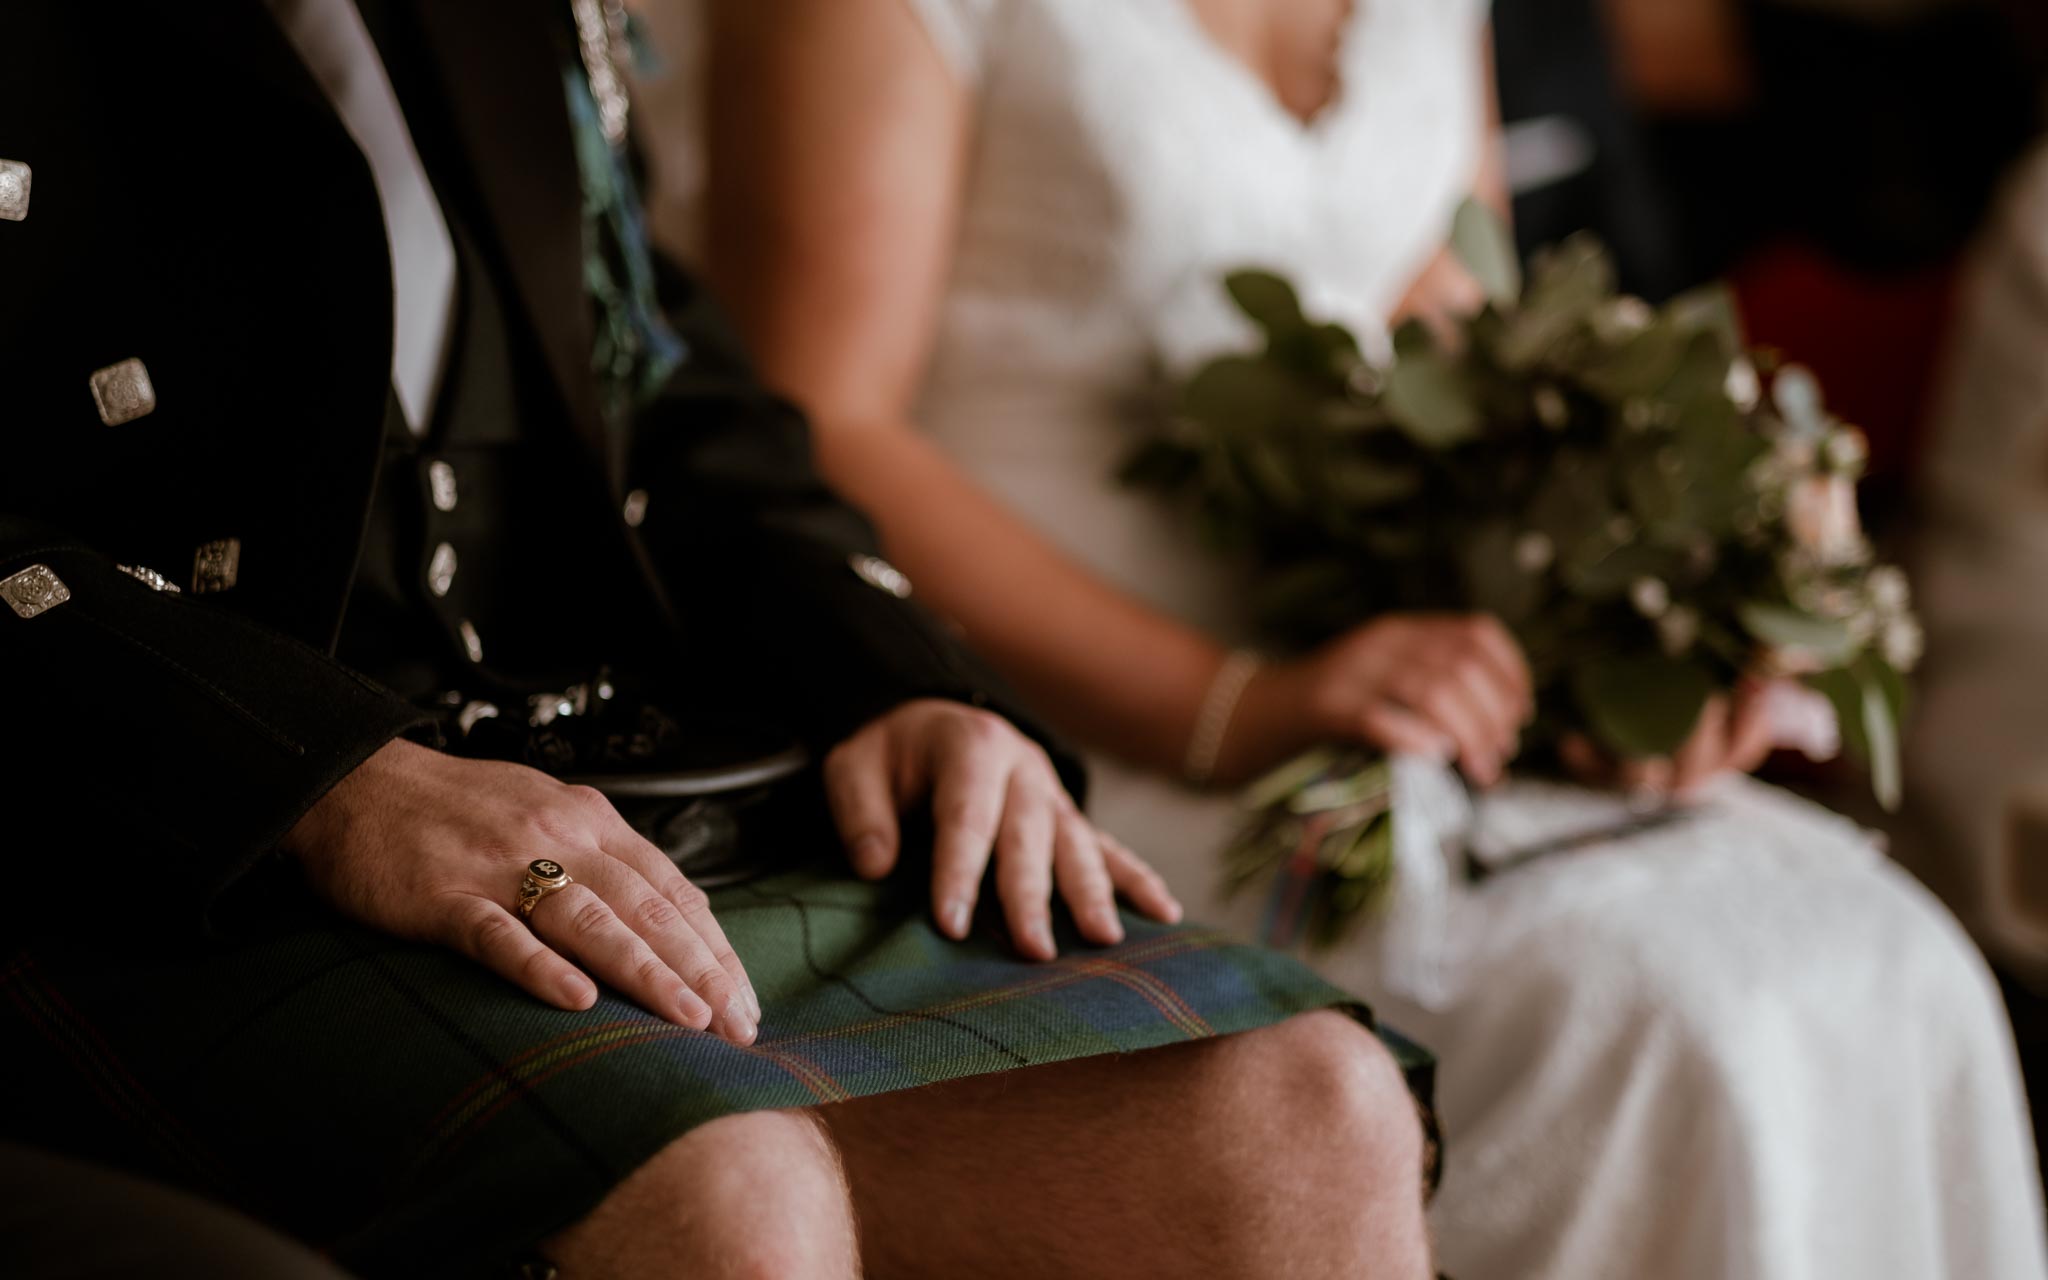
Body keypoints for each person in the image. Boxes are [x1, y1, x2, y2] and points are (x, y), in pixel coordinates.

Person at [0, 1, 1441, 1276]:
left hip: (604, 776)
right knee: (733, 1198)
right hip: (166, 850)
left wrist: (900, 679)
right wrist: (321, 781)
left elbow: (657, 388)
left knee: (1311, 1115)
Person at [640, 1, 2048, 1276]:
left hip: (1372, 704)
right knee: (1660, 1013)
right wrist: (1230, 703)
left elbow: (1473, 359)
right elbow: (815, 427)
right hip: (1044, 746)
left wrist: (1626, 635)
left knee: (1884, 956)